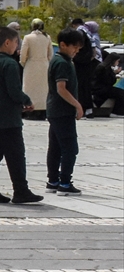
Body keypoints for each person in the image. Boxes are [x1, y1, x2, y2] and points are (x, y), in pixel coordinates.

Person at [0, 27, 43, 205]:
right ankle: (20, 189)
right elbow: (14, 91)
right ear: (7, 42)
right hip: (7, 118)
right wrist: (26, 100)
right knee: (16, 154)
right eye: (16, 42)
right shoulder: (9, 64)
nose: (17, 46)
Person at [46, 28, 85, 195]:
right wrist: (77, 105)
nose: (76, 51)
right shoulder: (62, 63)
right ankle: (64, 182)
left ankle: (53, 180)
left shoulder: (58, 60)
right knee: (70, 148)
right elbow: (61, 88)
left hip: (54, 110)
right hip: (62, 111)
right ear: (63, 45)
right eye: (74, 47)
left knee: (55, 148)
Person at [19, 18, 51, 118]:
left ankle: (30, 109)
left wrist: (24, 63)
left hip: (31, 65)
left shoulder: (28, 37)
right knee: (43, 89)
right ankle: (43, 110)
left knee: (30, 88)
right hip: (44, 65)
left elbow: (23, 54)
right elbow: (50, 55)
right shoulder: (47, 38)